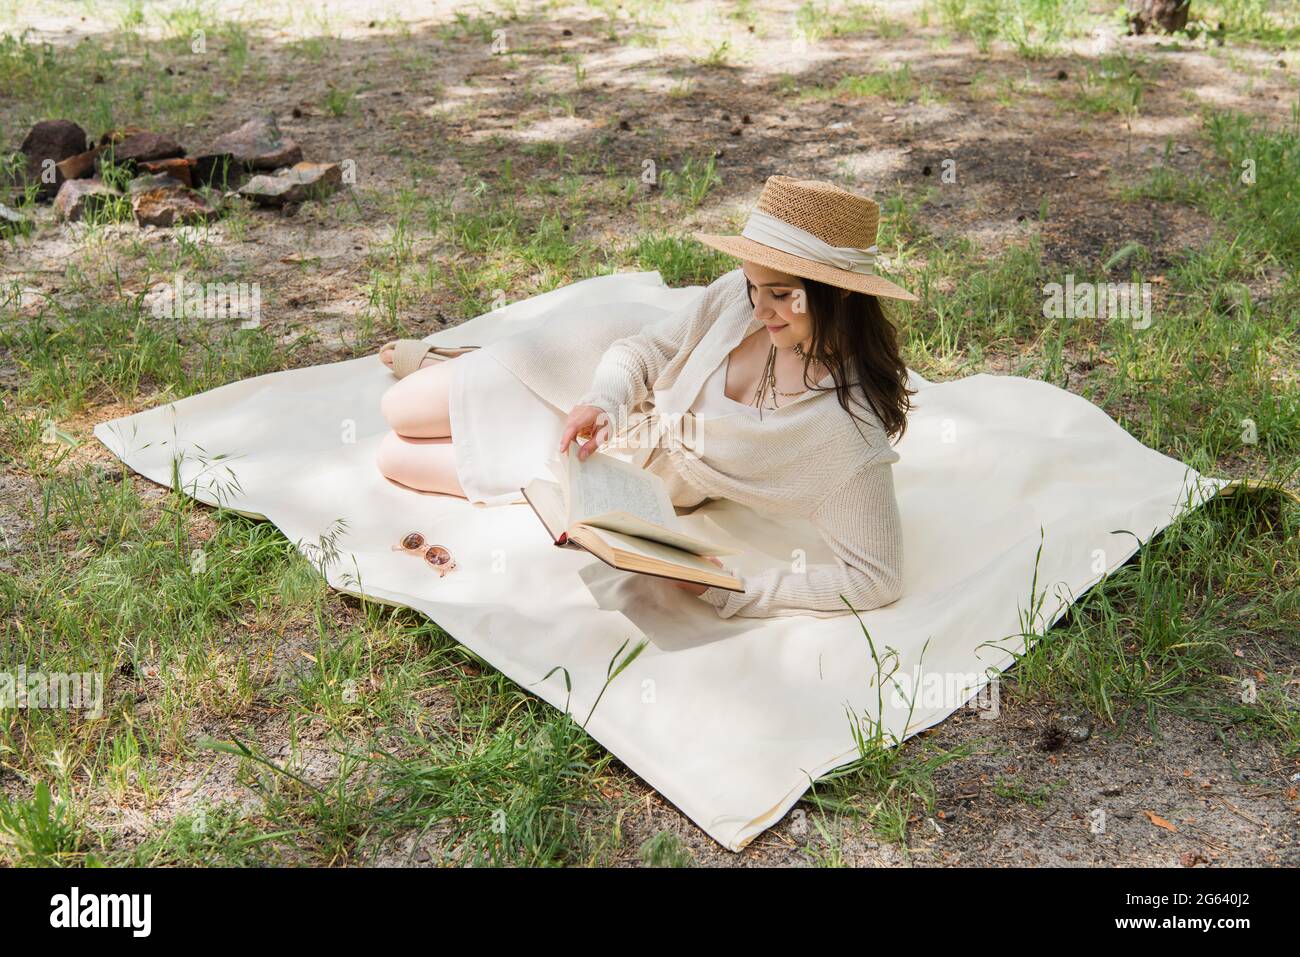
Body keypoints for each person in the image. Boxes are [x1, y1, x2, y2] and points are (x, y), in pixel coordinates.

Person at [375, 175, 918, 619]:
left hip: (629, 472)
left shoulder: (846, 433)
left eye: (780, 295)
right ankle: (453, 358)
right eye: (753, 285)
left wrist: (737, 590)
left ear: (843, 292)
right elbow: (645, 350)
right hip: (599, 372)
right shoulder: (738, 298)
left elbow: (876, 577)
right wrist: (603, 401)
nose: (757, 309)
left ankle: (461, 365)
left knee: (394, 457)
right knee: (398, 409)